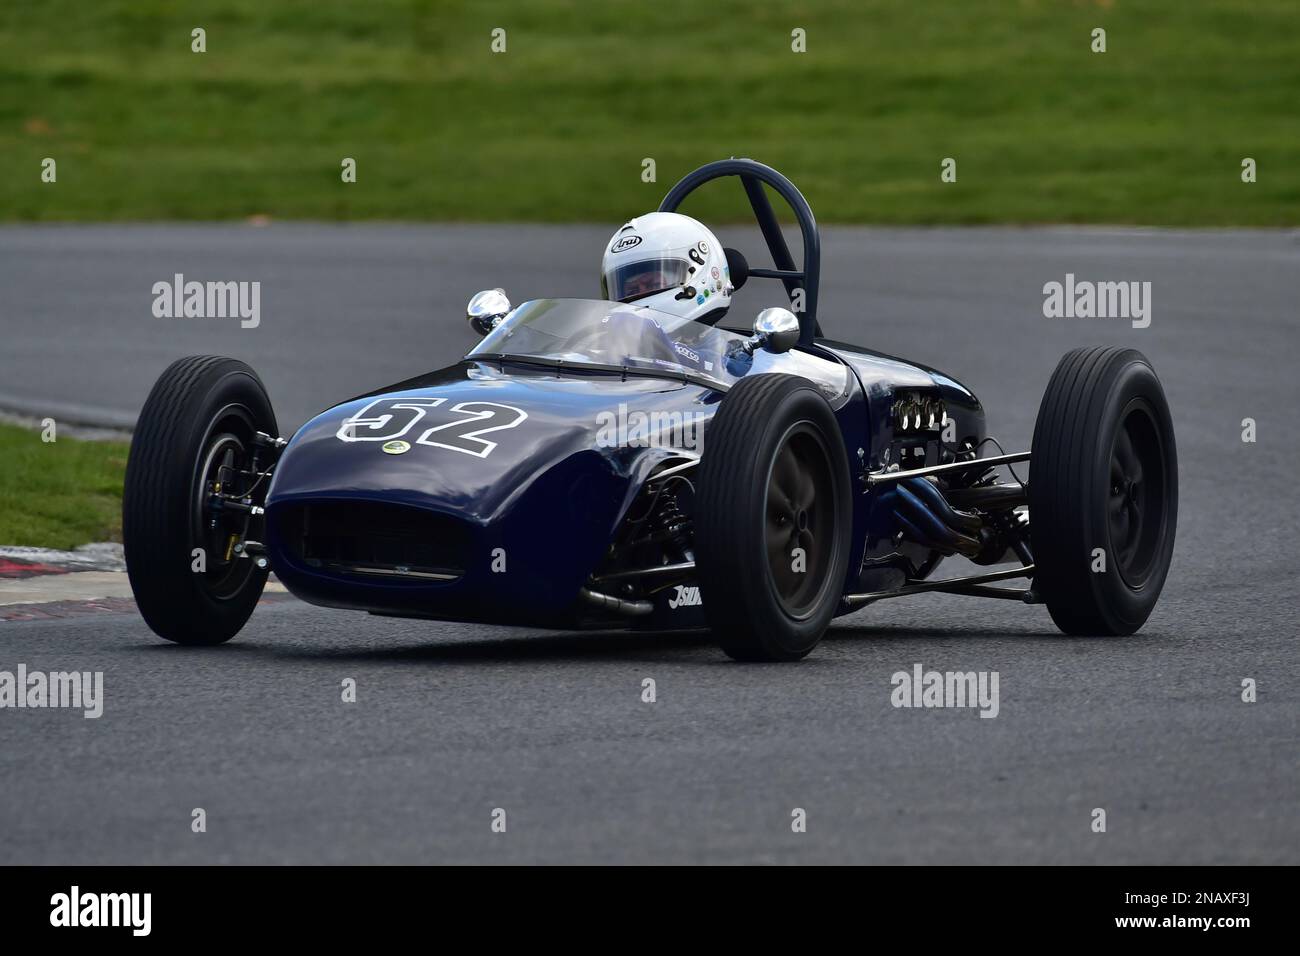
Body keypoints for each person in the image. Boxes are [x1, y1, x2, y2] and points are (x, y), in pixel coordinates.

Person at [600, 212, 733, 325]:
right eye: (631, 291)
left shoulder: (734, 353)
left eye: (652, 284)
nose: (640, 295)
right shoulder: (612, 351)